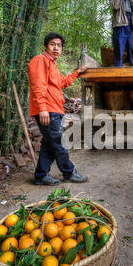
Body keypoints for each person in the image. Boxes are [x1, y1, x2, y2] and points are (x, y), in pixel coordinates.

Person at [28, 32, 88, 185]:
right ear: (46, 46)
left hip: (55, 110)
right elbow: (38, 85)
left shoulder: (53, 65)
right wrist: (42, 108)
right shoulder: (40, 60)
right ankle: (69, 172)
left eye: (59, 45)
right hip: (48, 110)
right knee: (59, 143)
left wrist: (77, 72)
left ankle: (41, 175)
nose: (56, 48)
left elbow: (62, 82)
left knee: (49, 144)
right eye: (52, 44)